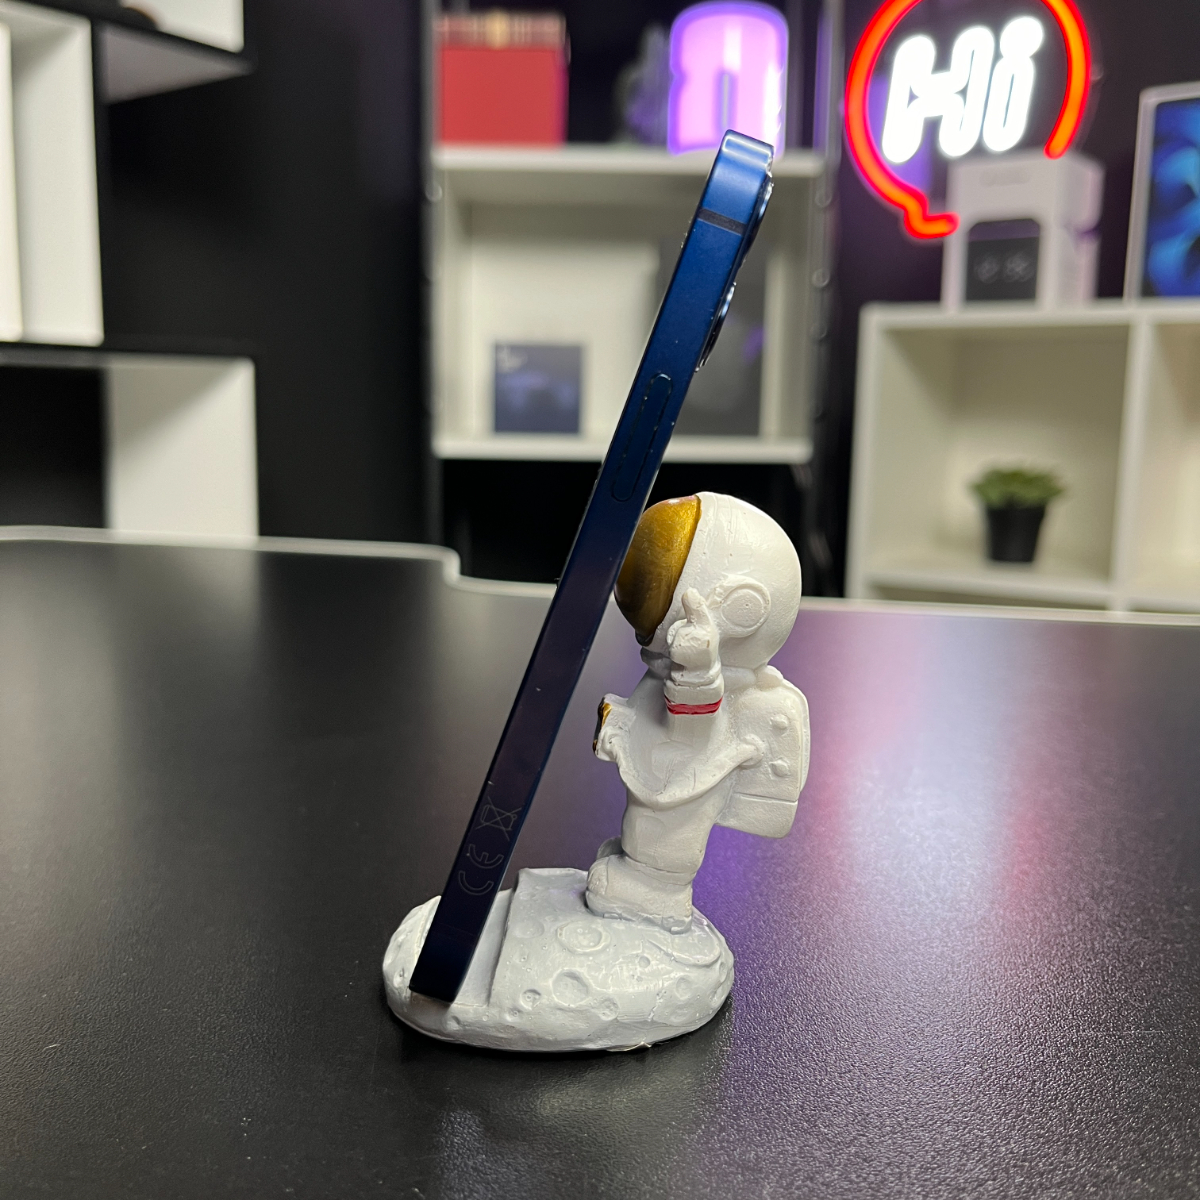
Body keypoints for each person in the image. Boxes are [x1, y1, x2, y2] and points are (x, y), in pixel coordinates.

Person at [586, 492, 810, 932]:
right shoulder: (669, 669)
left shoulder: (705, 675)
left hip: (689, 757)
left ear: (742, 610)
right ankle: (641, 866)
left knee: (669, 819)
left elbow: (694, 727)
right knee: (649, 813)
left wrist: (698, 672)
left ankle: (656, 887)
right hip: (671, 740)